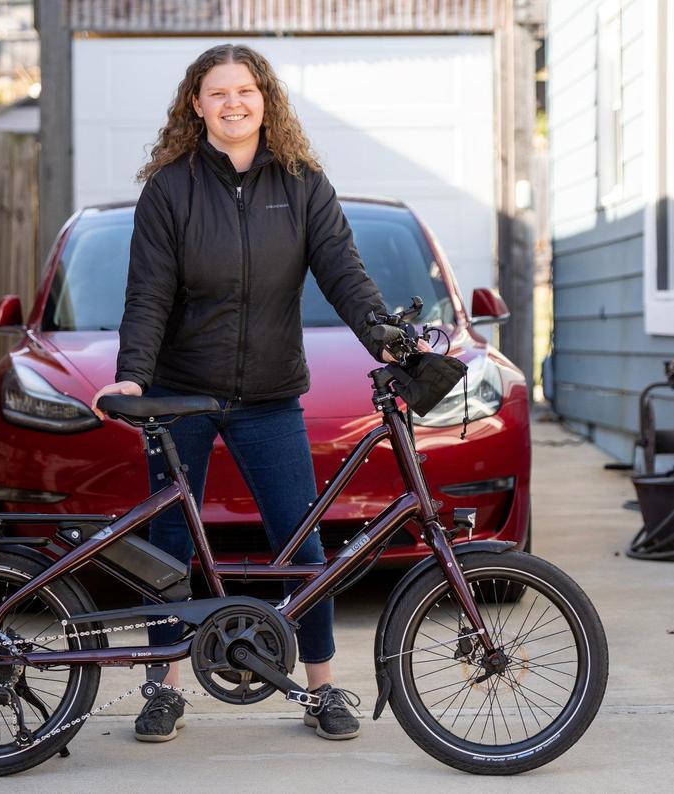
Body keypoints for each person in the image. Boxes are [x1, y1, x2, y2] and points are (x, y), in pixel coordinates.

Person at [90, 43, 425, 744]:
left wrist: (387, 336)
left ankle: (323, 688)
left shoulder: (302, 183)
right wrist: (134, 374)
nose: (233, 103)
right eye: (218, 93)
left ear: (265, 100)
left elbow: (344, 272)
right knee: (170, 545)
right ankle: (164, 687)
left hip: (271, 394)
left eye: (246, 90)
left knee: (299, 541)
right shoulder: (170, 189)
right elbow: (147, 292)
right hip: (182, 394)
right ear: (196, 105)